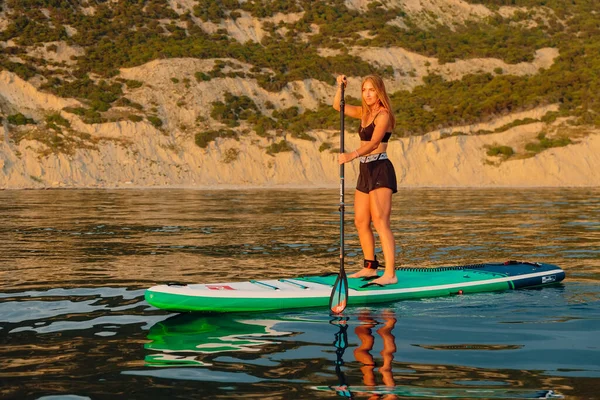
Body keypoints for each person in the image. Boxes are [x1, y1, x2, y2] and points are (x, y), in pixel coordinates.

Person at [333, 74, 398, 286]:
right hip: (365, 170)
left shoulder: (383, 115)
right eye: (364, 90)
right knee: (360, 221)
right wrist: (339, 87)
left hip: (380, 168)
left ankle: (390, 274)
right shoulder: (364, 112)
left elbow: (373, 143)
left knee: (380, 221)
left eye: (371, 90)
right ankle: (370, 267)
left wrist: (350, 156)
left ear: (379, 91)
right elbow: (338, 106)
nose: (367, 94)